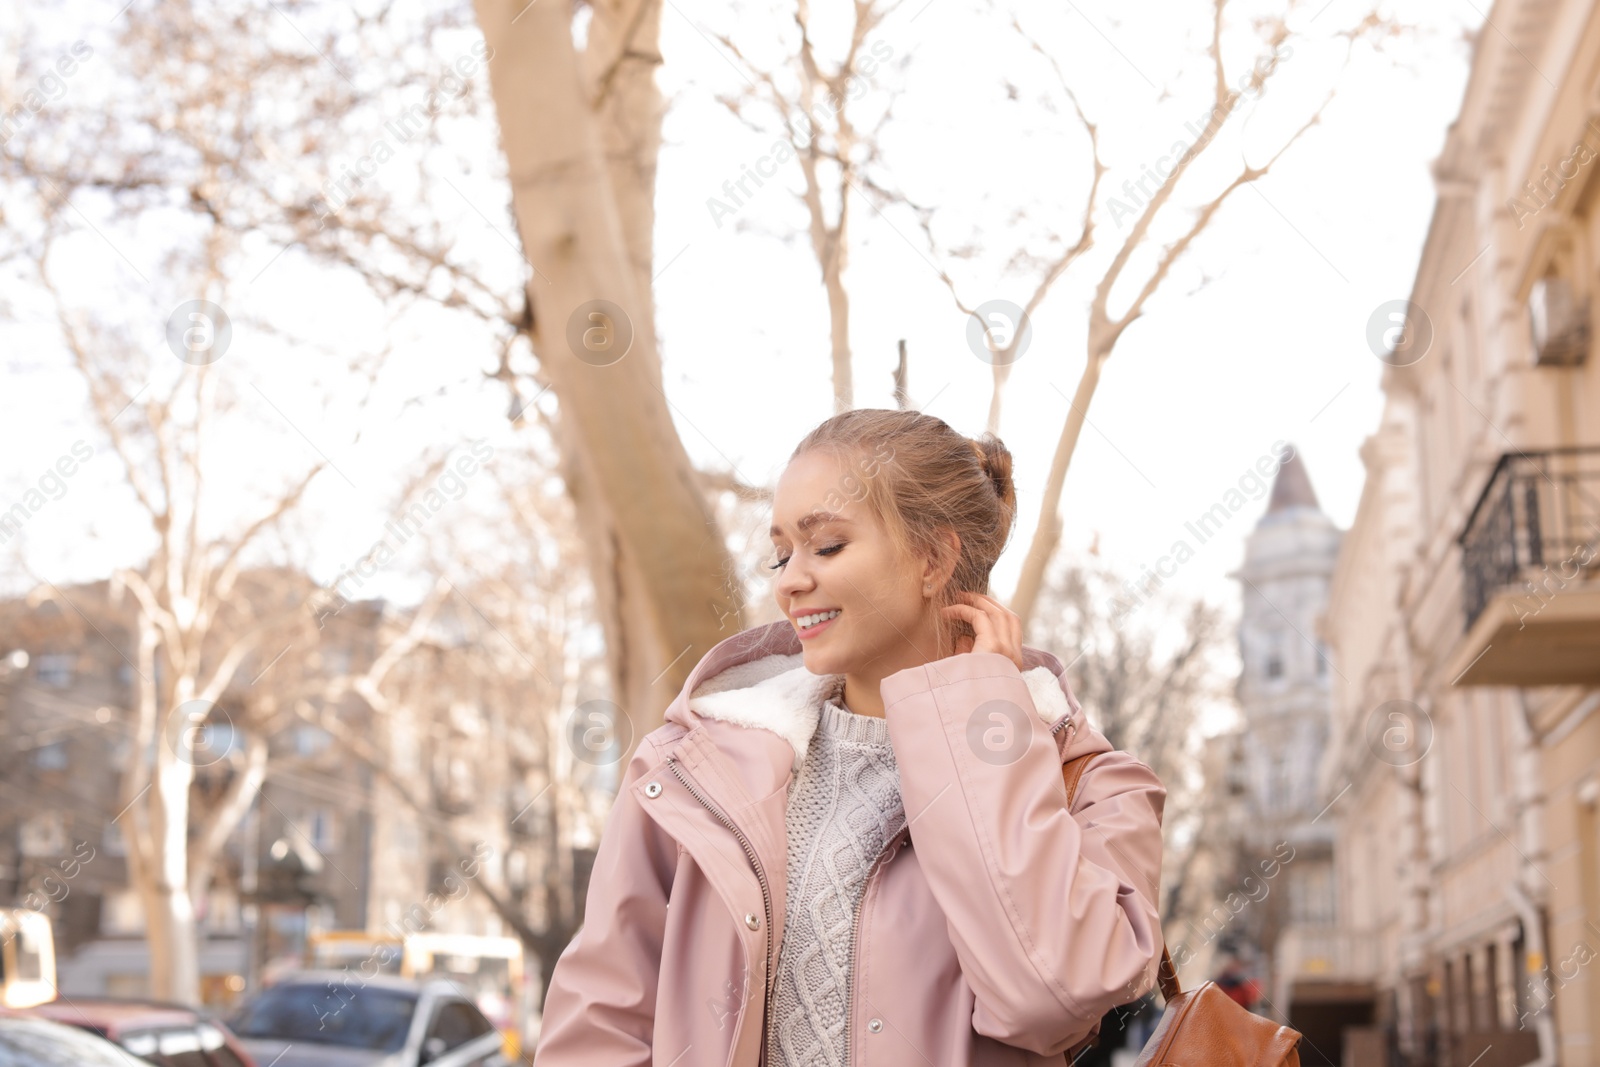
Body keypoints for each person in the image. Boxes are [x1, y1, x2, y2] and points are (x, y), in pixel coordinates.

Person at [532, 409, 1169, 1066]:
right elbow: (601, 1022)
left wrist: (983, 722)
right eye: (781, 553)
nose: (789, 580)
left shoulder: (1094, 784)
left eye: (826, 546)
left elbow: (1048, 995)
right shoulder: (694, 767)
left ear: (934, 557)